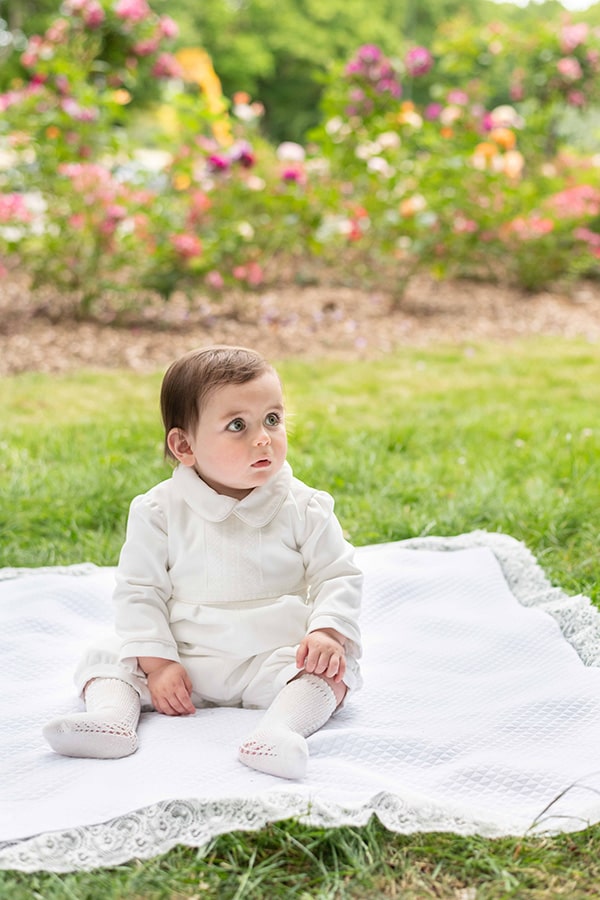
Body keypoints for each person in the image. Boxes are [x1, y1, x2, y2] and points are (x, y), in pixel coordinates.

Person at [43, 345, 362, 779]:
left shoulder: (304, 507)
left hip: (270, 654)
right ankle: (114, 722)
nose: (264, 437)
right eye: (238, 425)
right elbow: (141, 591)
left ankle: (279, 732)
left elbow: (337, 573)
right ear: (184, 445)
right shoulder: (159, 511)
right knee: (108, 653)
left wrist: (325, 631)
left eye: (273, 419)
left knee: (334, 673)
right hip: (185, 657)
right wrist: (157, 664)